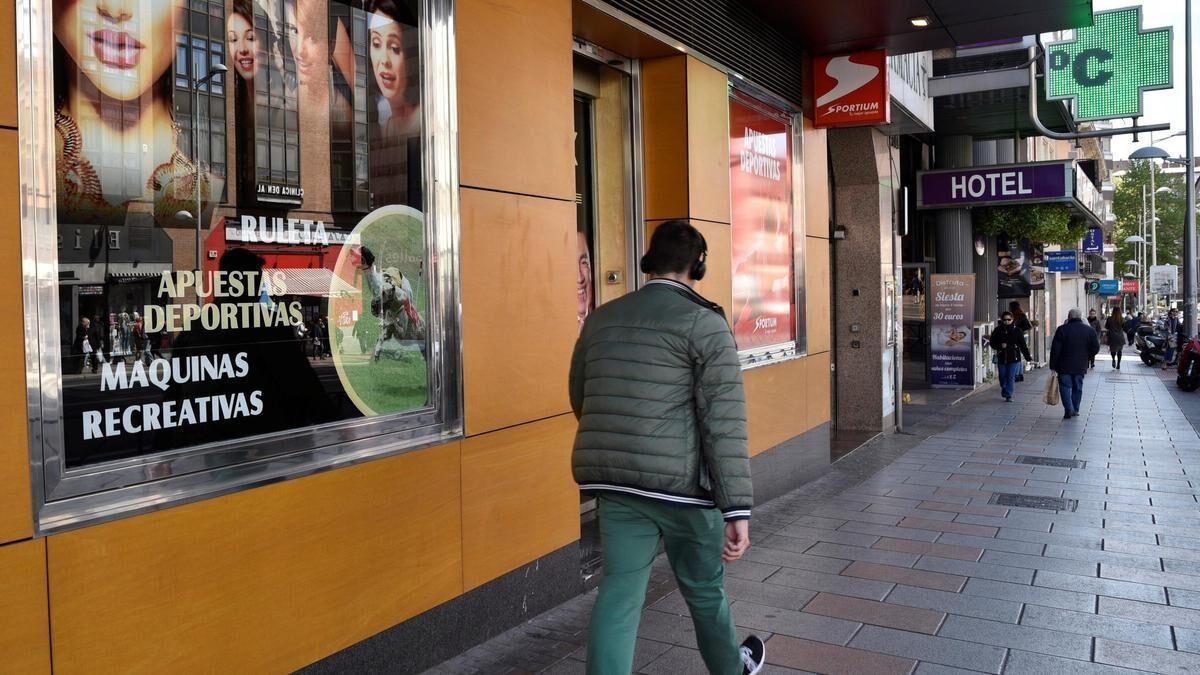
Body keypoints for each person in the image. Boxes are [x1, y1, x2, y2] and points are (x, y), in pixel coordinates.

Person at [570, 220, 765, 675]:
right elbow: (724, 422)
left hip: (617, 485)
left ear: (649, 261)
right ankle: (730, 670)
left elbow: (582, 394)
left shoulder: (602, 319)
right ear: (699, 265)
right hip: (684, 490)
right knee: (703, 589)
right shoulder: (705, 324)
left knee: (618, 594)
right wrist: (737, 510)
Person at [1050, 309, 1100, 420]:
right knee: (1078, 386)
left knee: (1065, 386)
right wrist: (1087, 357)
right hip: (1081, 364)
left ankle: (1068, 408)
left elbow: (1055, 349)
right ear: (1081, 317)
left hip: (1063, 365)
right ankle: (1075, 409)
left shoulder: (1062, 329)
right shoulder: (1089, 330)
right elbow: (1095, 348)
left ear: (1069, 317)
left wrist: (1053, 365)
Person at [990, 312, 1031, 402]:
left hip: (1014, 357)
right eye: (1005, 319)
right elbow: (992, 343)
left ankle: (1009, 395)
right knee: (1002, 376)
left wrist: (1028, 358)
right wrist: (1000, 346)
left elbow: (1023, 346)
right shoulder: (997, 330)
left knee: (1010, 376)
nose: (1007, 321)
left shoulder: (1017, 331)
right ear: (1002, 320)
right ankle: (1004, 387)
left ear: (1012, 319)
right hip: (1001, 357)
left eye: (1009, 319)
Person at [1009, 301, 1033, 380]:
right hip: (1018, 336)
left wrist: (1020, 330)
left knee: (1018, 356)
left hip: (1019, 336)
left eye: (1010, 306)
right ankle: (1018, 374)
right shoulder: (1015, 315)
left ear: (1013, 307)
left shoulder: (1019, 315)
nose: (1009, 308)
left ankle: (1018, 375)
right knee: (1018, 356)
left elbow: (1028, 326)